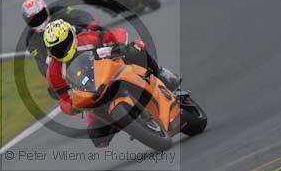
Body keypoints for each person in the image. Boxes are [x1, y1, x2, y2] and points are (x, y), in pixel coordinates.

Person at [43, 19, 181, 147]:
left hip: (114, 71)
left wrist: (120, 45)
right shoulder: (54, 72)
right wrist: (72, 107)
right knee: (97, 136)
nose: (63, 49)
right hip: (93, 95)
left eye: (65, 42)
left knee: (135, 47)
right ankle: (129, 124)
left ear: (72, 35)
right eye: (57, 48)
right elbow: (63, 99)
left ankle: (160, 72)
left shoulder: (87, 40)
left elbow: (117, 33)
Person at [21, 0, 100, 76]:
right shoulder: (31, 41)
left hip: (81, 46)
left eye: (40, 16)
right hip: (63, 64)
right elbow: (42, 63)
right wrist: (51, 76)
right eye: (34, 20)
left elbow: (79, 15)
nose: (38, 20)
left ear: (46, 10)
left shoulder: (59, 11)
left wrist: (90, 24)